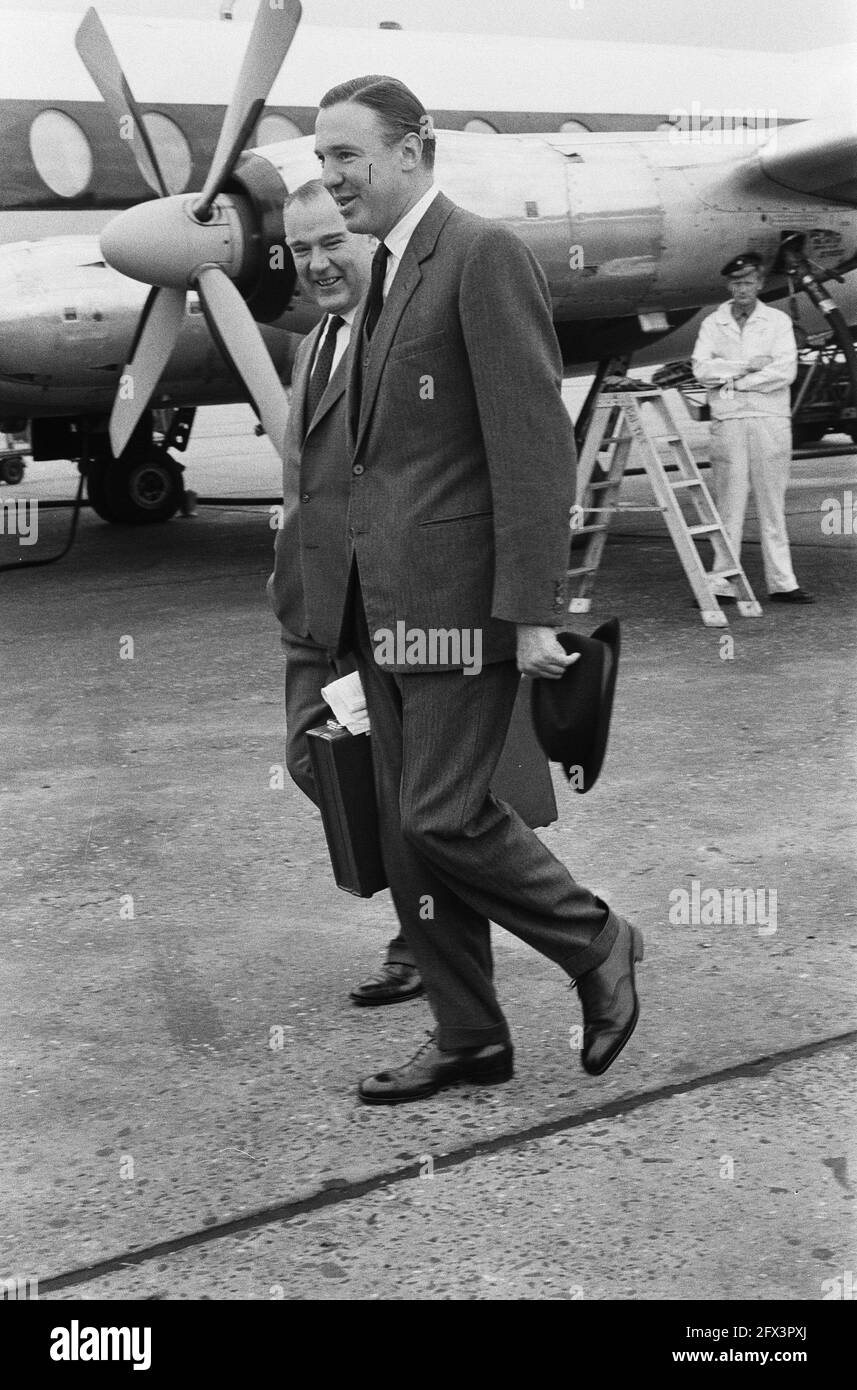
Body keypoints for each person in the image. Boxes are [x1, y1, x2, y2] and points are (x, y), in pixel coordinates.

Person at [314, 75, 644, 1105]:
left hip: (456, 606)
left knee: (442, 816)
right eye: (321, 160)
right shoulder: (385, 269)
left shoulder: (478, 253)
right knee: (407, 838)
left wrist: (533, 606)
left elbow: (530, 441)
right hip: (384, 603)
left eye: (345, 156)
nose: (329, 179)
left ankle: (596, 938)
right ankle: (467, 1035)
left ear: (412, 152)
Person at [267, 179, 423, 1007]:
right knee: (312, 758)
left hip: (386, 598)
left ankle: (427, 927)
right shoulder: (310, 344)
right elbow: (303, 471)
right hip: (313, 596)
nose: (319, 263)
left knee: (415, 786)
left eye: (333, 242)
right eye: (301, 250)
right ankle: (452, 903)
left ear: (368, 238)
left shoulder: (403, 337)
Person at [692, 251, 814, 604]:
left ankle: (783, 582)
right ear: (729, 285)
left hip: (767, 420)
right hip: (729, 421)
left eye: (747, 282)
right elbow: (702, 370)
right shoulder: (712, 324)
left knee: (771, 503)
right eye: (735, 283)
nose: (741, 288)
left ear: (759, 284)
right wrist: (747, 366)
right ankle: (723, 582)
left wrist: (732, 381)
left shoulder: (776, 322)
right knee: (728, 504)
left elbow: (783, 372)